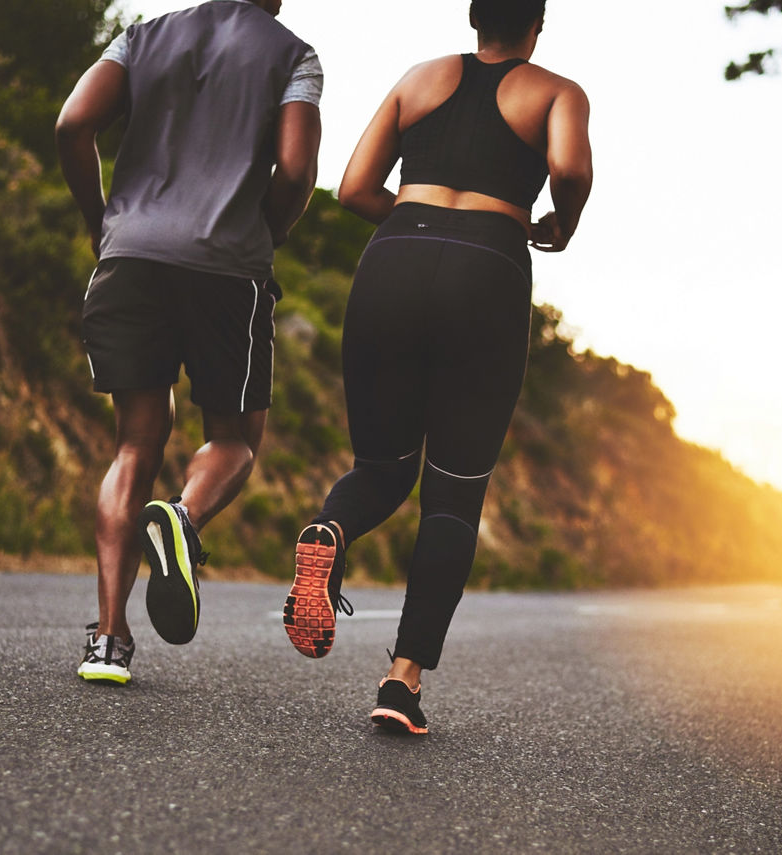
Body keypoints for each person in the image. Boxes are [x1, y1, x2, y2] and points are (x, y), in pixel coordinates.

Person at [283, 0, 592, 734]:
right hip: (487, 268)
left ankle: (330, 528)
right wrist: (562, 222)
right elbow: (570, 167)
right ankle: (401, 682)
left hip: (393, 257)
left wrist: (419, 220)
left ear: (474, 17)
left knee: (383, 465)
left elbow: (354, 188)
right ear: (536, 26)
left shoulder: (419, 78)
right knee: (452, 493)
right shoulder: (555, 92)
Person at [56, 0, 322, 685]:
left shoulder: (142, 36)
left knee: (134, 443)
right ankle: (181, 515)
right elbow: (294, 172)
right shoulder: (292, 56)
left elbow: (73, 121)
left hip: (130, 256)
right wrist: (265, 235)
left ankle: (109, 641)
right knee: (234, 437)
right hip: (226, 270)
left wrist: (102, 220)